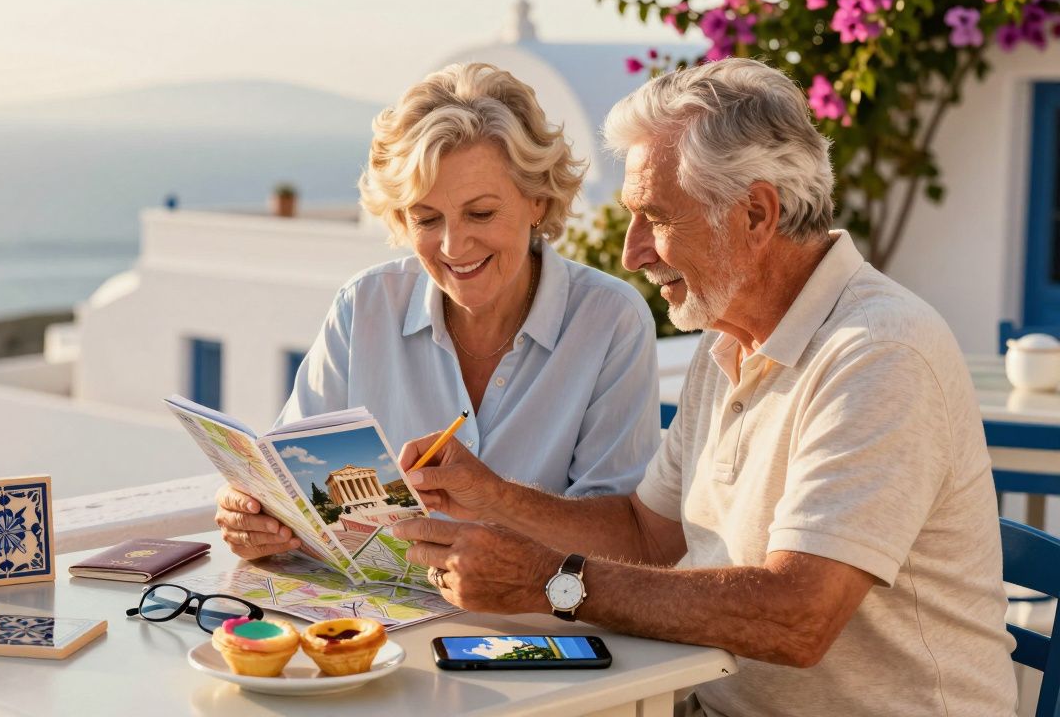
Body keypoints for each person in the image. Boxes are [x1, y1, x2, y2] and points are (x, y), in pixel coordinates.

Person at [392, 58, 1016, 716]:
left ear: (755, 213)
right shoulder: (727, 337)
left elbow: (796, 616)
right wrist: (489, 495)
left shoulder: (880, 352)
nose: (631, 252)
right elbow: (646, 534)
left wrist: (547, 582)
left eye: (655, 217)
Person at [214, 63, 660, 560]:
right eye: (427, 218)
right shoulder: (364, 306)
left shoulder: (610, 321)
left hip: (532, 625)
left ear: (537, 200)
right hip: (377, 626)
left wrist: (495, 499)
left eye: (480, 213)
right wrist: (252, 517)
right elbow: (287, 480)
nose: (453, 245)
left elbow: (627, 541)